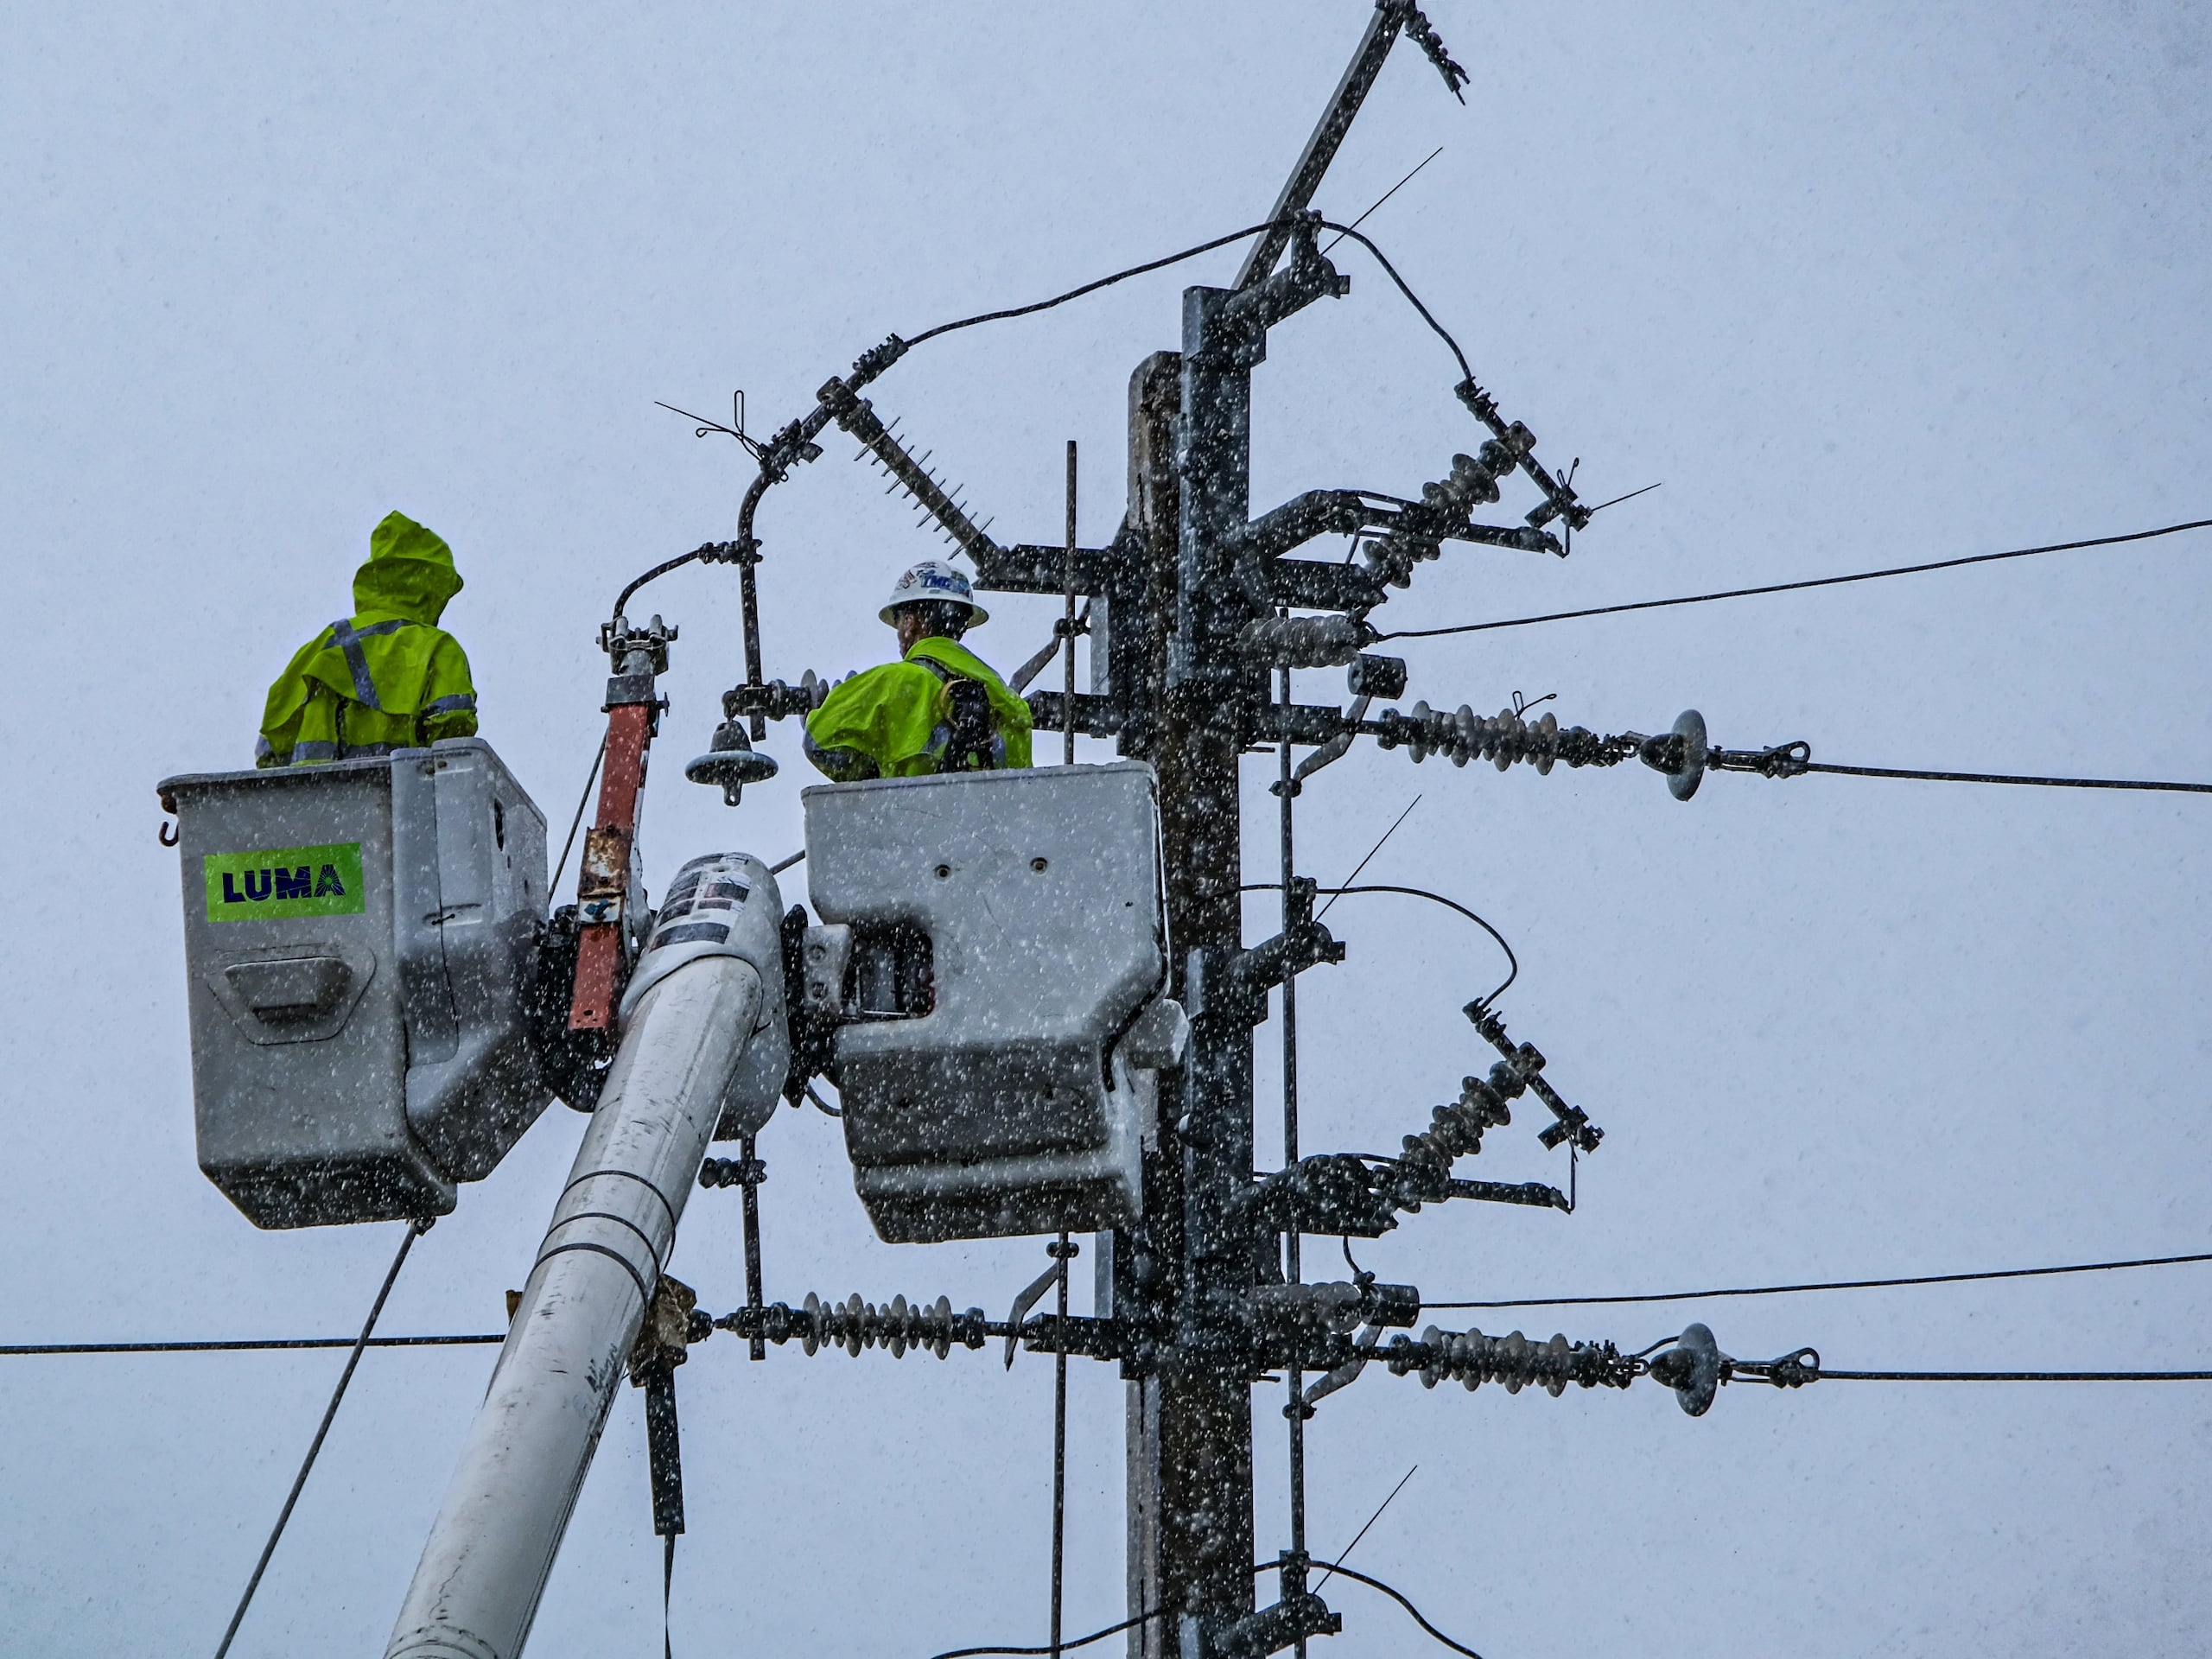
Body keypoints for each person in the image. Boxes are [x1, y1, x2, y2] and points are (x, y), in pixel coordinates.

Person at [257, 511, 480, 766]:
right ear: (431, 587)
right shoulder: (437, 648)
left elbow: (269, 749)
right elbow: (453, 732)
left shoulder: (320, 647)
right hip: (400, 789)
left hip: (310, 791)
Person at [803, 559, 1033, 780]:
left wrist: (825, 710)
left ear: (910, 623)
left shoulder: (891, 682)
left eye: (898, 623)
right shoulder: (1009, 704)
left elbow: (818, 743)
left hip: (911, 809)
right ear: (962, 627)